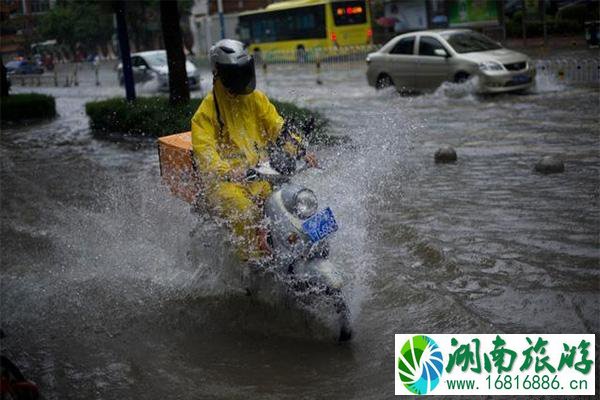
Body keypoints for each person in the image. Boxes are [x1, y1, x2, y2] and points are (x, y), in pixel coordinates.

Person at [191, 39, 316, 262]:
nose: (241, 78)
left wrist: (300, 151)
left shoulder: (256, 99)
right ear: (218, 73)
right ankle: (252, 265)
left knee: (292, 202)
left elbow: (278, 127)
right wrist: (227, 171)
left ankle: (304, 250)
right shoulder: (205, 113)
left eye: (243, 71)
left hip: (259, 175)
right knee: (245, 211)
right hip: (225, 183)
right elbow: (205, 153)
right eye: (234, 73)